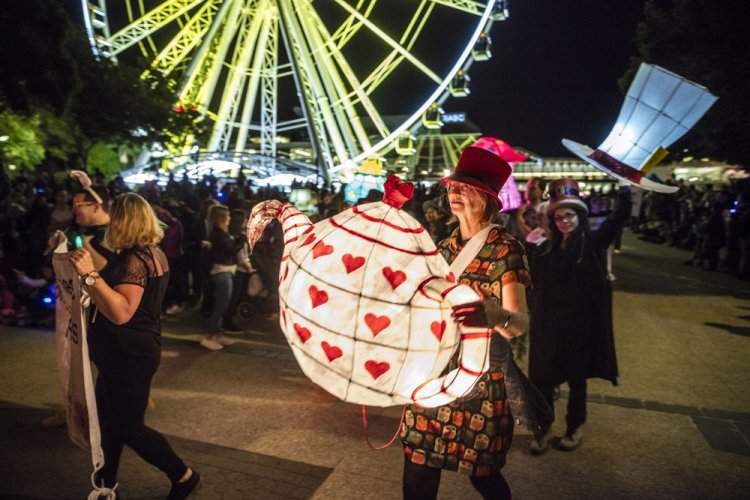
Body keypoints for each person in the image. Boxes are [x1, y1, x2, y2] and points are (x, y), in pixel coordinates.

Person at [400, 147, 550, 500]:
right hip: (434, 373)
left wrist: (493, 316)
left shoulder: (506, 249)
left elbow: (519, 324)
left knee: (483, 474)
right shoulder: (444, 247)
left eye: (463, 187)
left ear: (486, 197)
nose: (453, 192)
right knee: (418, 467)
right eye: (452, 186)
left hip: (480, 380)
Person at [68, 193, 199, 499]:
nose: (110, 222)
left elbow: (121, 311)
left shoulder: (135, 260)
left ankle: (183, 475)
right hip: (125, 352)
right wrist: (87, 261)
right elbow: (112, 275)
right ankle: (106, 482)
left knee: (128, 426)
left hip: (130, 353)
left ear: (124, 222)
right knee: (108, 419)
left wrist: (88, 274)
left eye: (115, 217)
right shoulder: (146, 252)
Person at [527, 178, 631, 454]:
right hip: (550, 326)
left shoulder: (594, 243)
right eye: (559, 217)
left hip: (580, 329)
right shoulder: (546, 248)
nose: (564, 221)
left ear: (580, 215)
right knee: (542, 378)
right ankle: (543, 428)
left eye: (569, 215)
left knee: (576, 380)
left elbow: (619, 216)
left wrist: (624, 187)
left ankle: (574, 428)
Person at [200, 204, 243, 350]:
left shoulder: (222, 233)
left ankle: (217, 333)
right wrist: (242, 239)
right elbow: (230, 251)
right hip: (221, 272)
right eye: (228, 216)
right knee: (220, 305)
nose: (230, 218)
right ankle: (209, 336)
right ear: (221, 218)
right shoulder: (217, 234)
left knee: (223, 305)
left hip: (226, 271)